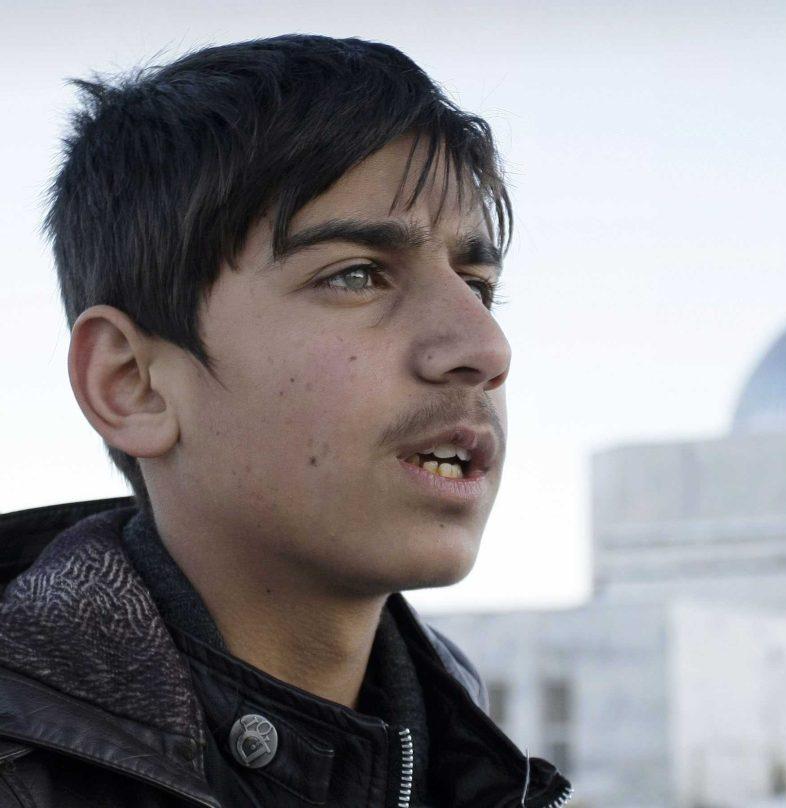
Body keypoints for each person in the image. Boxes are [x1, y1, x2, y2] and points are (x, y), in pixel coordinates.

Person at [0, 34, 572, 808]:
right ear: (132, 384)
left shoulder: (471, 761)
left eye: (477, 285)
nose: (483, 347)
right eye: (357, 275)